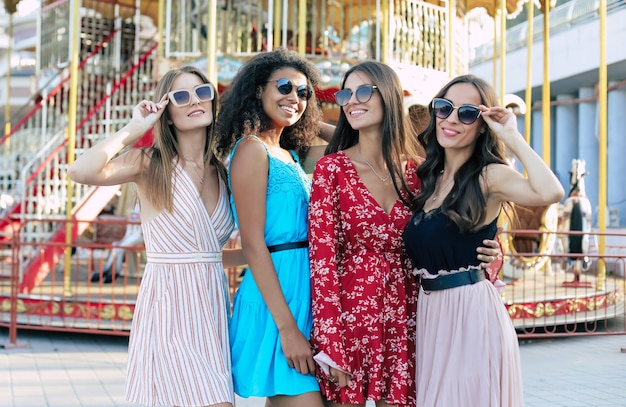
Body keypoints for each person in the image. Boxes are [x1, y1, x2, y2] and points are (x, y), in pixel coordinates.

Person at [307, 61, 501, 407]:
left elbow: (454, 229)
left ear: (390, 98)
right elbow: (322, 260)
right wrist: (329, 341)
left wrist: (492, 254)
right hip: (352, 317)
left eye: (363, 91)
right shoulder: (331, 168)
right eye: (345, 94)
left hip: (410, 318)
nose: (352, 101)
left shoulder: (421, 171)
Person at [68, 66, 244, 407]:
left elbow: (206, 254)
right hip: (168, 307)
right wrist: (135, 128)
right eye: (181, 96)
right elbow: (80, 171)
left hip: (211, 308)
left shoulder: (223, 170)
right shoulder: (150, 163)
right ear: (167, 111)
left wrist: (264, 255)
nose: (194, 101)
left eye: (201, 92)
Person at [402, 74, 565, 407]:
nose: (451, 119)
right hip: (432, 315)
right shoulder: (429, 177)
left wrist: (511, 136)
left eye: (467, 114)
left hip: (470, 314)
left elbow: (551, 192)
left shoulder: (489, 175)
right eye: (444, 108)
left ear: (482, 124)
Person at [215, 48, 328, 407]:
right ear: (257, 90)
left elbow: (360, 139)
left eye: (303, 92)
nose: (294, 98)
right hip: (277, 297)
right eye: (284, 87)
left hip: (302, 289)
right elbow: (252, 243)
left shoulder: (289, 154)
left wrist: (308, 117)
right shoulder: (251, 150)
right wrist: (288, 329)